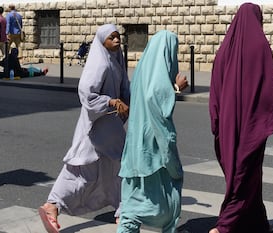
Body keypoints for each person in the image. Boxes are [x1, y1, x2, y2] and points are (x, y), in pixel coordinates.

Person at [208, 3, 273, 233]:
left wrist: (217, 124)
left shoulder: (224, 49)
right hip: (252, 128)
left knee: (247, 176)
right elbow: (272, 91)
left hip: (227, 129)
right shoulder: (260, 46)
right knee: (243, 179)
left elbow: (214, 91)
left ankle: (257, 222)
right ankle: (222, 228)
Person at [38, 24, 130, 233]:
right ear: (101, 41)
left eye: (118, 37)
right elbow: (87, 94)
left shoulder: (115, 60)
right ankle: (52, 205)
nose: (116, 41)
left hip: (110, 129)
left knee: (116, 171)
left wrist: (126, 103)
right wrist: (112, 102)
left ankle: (122, 214)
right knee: (81, 171)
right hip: (96, 128)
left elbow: (125, 87)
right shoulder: (100, 63)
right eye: (112, 38)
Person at [117, 30, 188, 233]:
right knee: (169, 197)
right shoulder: (157, 79)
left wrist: (173, 88)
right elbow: (155, 98)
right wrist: (175, 87)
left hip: (136, 145)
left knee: (133, 204)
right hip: (154, 146)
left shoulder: (143, 68)